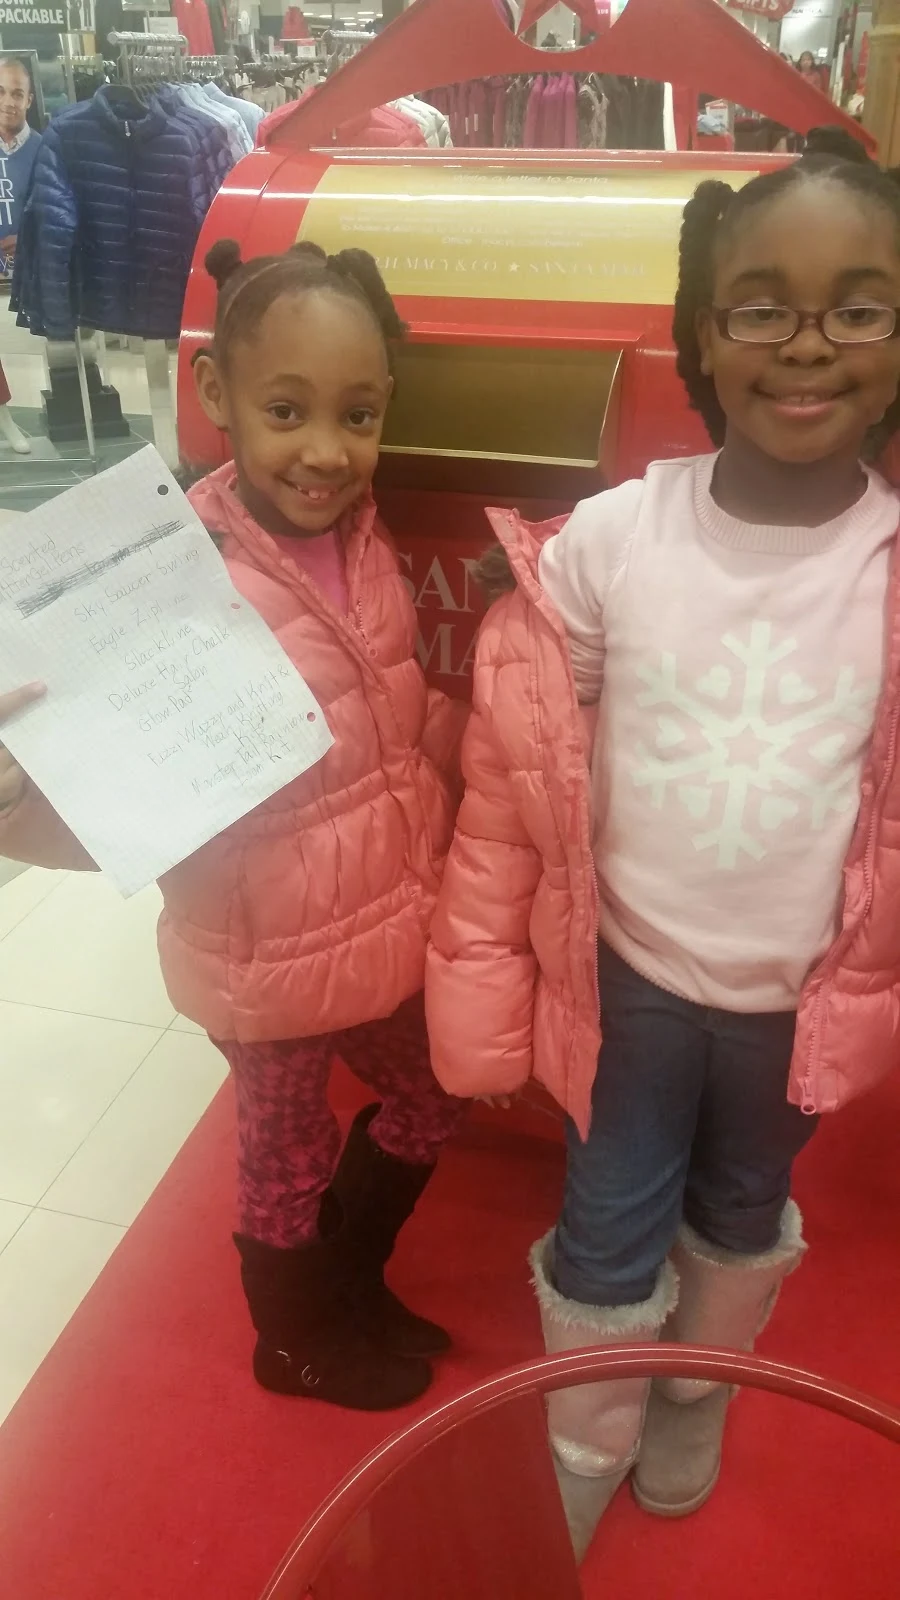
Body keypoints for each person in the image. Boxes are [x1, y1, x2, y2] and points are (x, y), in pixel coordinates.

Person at [426, 138, 900, 1555]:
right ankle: (588, 1430)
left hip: (801, 1006)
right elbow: (522, 767)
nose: (806, 343)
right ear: (701, 330)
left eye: (858, 306)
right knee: (607, 1216)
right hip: (628, 980)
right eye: (761, 306)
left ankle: (697, 1383)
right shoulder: (618, 538)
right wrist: (482, 971)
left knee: (745, 1205)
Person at [0, 238, 466, 1413]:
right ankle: (294, 1341)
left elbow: (391, 714)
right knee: (284, 1153)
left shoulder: (364, 534)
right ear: (216, 392)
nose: (326, 449)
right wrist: (13, 787)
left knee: (435, 1092)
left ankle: (346, 1280)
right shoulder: (167, 575)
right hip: (263, 957)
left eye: (358, 415)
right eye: (286, 410)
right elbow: (98, 796)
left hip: (385, 920)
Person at [0, 55, 40, 279]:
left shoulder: (48, 151)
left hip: (31, 281)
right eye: (0, 91)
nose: (8, 102)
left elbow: (62, 218)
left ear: (29, 100)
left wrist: (30, 239)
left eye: (17, 94)